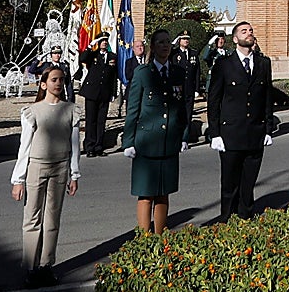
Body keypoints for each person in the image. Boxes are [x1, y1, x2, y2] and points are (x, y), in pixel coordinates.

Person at [10, 66, 80, 288]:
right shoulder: (32, 111)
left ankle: (46, 265)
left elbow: (75, 145)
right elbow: (25, 146)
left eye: (61, 80)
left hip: (60, 167)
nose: (58, 84)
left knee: (52, 218)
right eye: (53, 80)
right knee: (32, 217)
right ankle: (31, 267)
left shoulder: (70, 110)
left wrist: (74, 173)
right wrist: (18, 179)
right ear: (43, 84)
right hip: (36, 167)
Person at [122, 29, 192, 233]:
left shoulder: (178, 72)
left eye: (168, 42)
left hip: (169, 140)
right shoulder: (143, 73)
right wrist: (128, 141)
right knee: (146, 194)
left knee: (164, 192)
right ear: (153, 46)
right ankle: (145, 239)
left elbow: (182, 107)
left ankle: (160, 236)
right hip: (146, 142)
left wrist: (184, 135)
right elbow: (133, 109)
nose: (165, 46)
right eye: (160, 42)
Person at [207, 21, 273, 221]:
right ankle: (227, 221)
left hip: (255, 133)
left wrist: (268, 128)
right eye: (244, 31)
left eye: (251, 30)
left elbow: (267, 97)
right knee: (229, 185)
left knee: (248, 184)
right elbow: (214, 100)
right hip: (231, 134)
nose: (249, 33)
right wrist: (215, 133)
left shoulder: (263, 63)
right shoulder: (224, 64)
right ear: (235, 39)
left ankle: (245, 221)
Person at [78, 33, 118, 157]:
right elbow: (82, 58)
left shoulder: (112, 56)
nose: (104, 43)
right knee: (91, 120)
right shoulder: (93, 55)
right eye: (102, 41)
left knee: (101, 121)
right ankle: (90, 147)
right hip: (91, 92)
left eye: (106, 41)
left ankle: (99, 146)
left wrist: (113, 92)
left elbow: (113, 76)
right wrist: (91, 45)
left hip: (104, 92)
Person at [171, 31, 200, 99]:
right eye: (183, 39)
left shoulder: (193, 53)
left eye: (187, 39)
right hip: (178, 88)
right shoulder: (174, 53)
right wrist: (174, 43)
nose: (186, 41)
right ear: (179, 40)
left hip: (190, 88)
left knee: (189, 109)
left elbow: (197, 72)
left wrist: (197, 89)